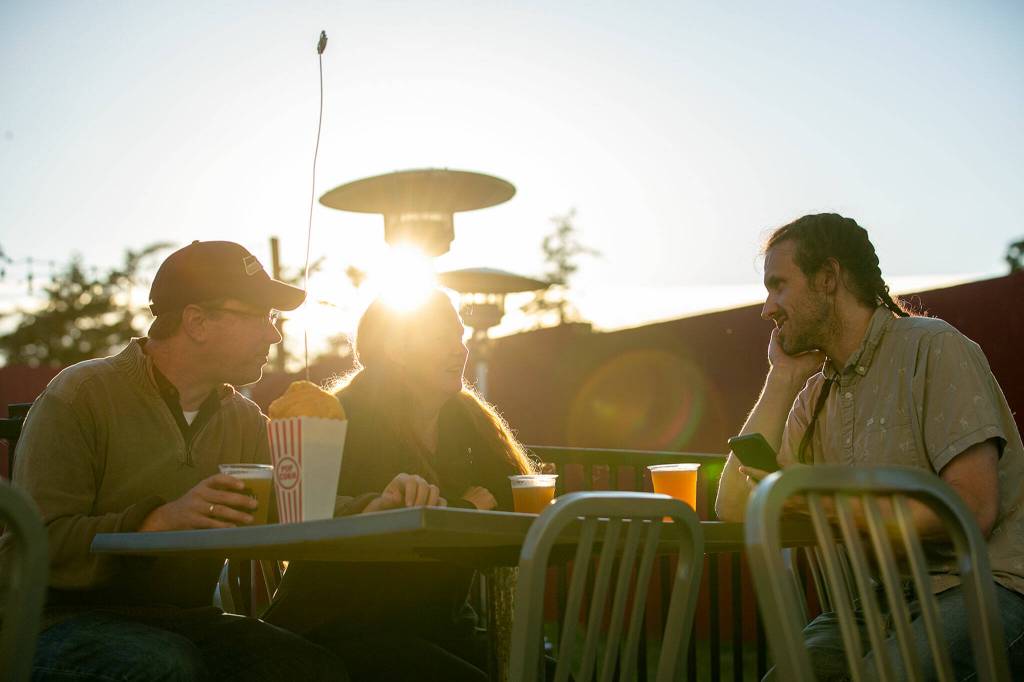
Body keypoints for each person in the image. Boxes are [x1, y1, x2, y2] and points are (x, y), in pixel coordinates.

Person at [0, 241, 348, 681]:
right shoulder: (81, 395)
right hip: (55, 621)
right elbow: (36, 541)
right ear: (198, 322)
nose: (274, 335)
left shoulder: (243, 419)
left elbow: (295, 508)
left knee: (308, 667)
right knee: (165, 666)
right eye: (262, 316)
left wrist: (377, 503)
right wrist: (159, 519)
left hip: (185, 620)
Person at [715, 213, 1024, 679]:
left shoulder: (934, 348)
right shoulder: (815, 393)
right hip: (883, 600)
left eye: (778, 285)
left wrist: (825, 506)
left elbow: (973, 509)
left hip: (986, 586)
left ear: (828, 278)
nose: (767, 308)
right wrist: (781, 378)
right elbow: (733, 506)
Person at [264, 289, 536, 682]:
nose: (459, 350)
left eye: (459, 337)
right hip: (341, 624)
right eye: (441, 337)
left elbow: (516, 509)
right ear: (395, 348)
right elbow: (301, 511)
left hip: (440, 624)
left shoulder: (467, 420)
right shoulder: (342, 417)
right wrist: (466, 508)